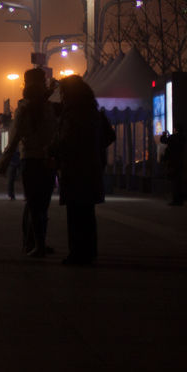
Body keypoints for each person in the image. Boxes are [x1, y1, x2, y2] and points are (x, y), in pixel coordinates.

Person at [51, 75, 115, 266]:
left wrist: (53, 151)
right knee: (87, 214)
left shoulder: (72, 114)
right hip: (91, 168)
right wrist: (96, 149)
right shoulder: (94, 112)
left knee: (75, 214)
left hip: (75, 169)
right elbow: (109, 136)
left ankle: (77, 253)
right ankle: (89, 251)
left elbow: (66, 140)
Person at [0, 69, 58, 257]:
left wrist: (3, 164)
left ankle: (33, 243)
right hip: (45, 161)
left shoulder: (28, 107)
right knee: (40, 205)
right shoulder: (45, 107)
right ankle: (37, 243)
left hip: (31, 160)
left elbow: (14, 138)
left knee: (34, 204)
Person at [160, 127, 187, 206]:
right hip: (180, 162)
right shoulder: (183, 138)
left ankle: (176, 200)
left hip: (173, 162)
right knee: (179, 181)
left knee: (175, 182)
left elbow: (164, 140)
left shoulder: (174, 137)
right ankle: (180, 200)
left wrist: (164, 135)